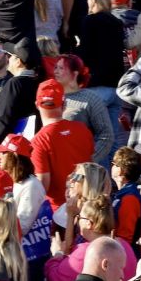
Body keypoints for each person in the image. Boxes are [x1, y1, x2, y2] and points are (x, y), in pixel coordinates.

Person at [30, 79, 95, 209]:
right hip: (85, 206)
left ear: (37, 105)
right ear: (64, 104)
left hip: (57, 211)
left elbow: (43, 184)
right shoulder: (82, 129)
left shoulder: (39, 141)